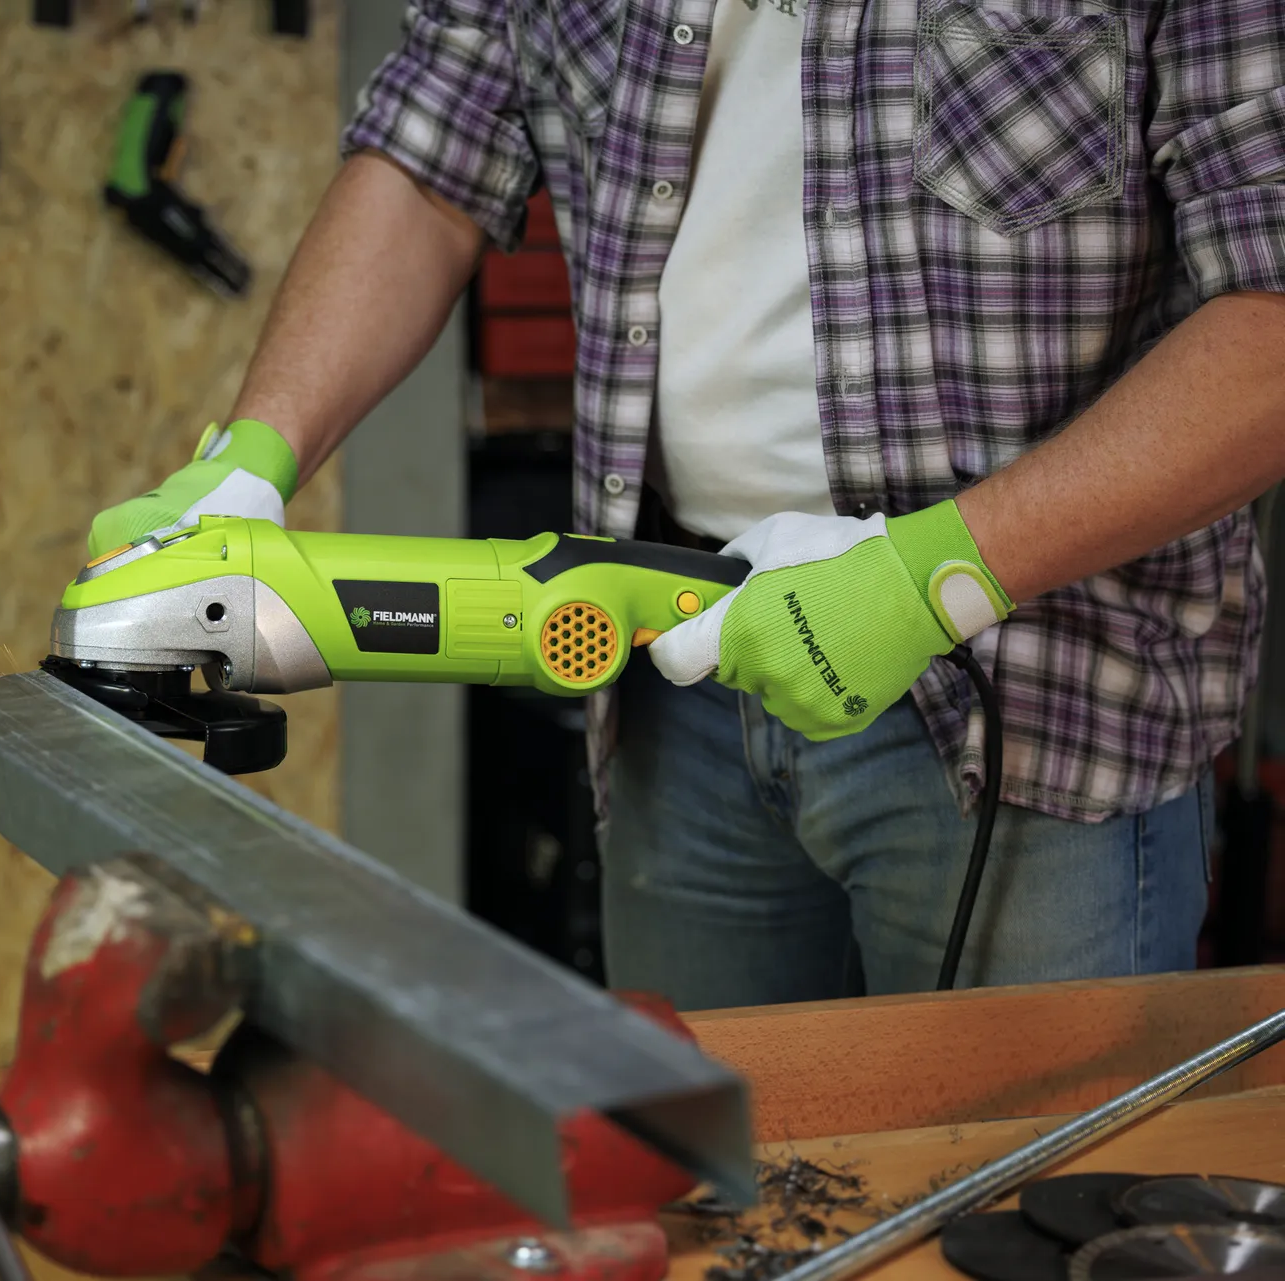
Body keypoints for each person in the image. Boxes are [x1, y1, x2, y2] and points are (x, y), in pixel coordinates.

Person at [87, 0, 1285, 1008]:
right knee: (713, 1177)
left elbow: (1271, 324)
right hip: (678, 671)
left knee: (1012, 1194)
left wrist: (933, 577)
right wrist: (253, 452)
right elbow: (430, 155)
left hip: (1037, 688)